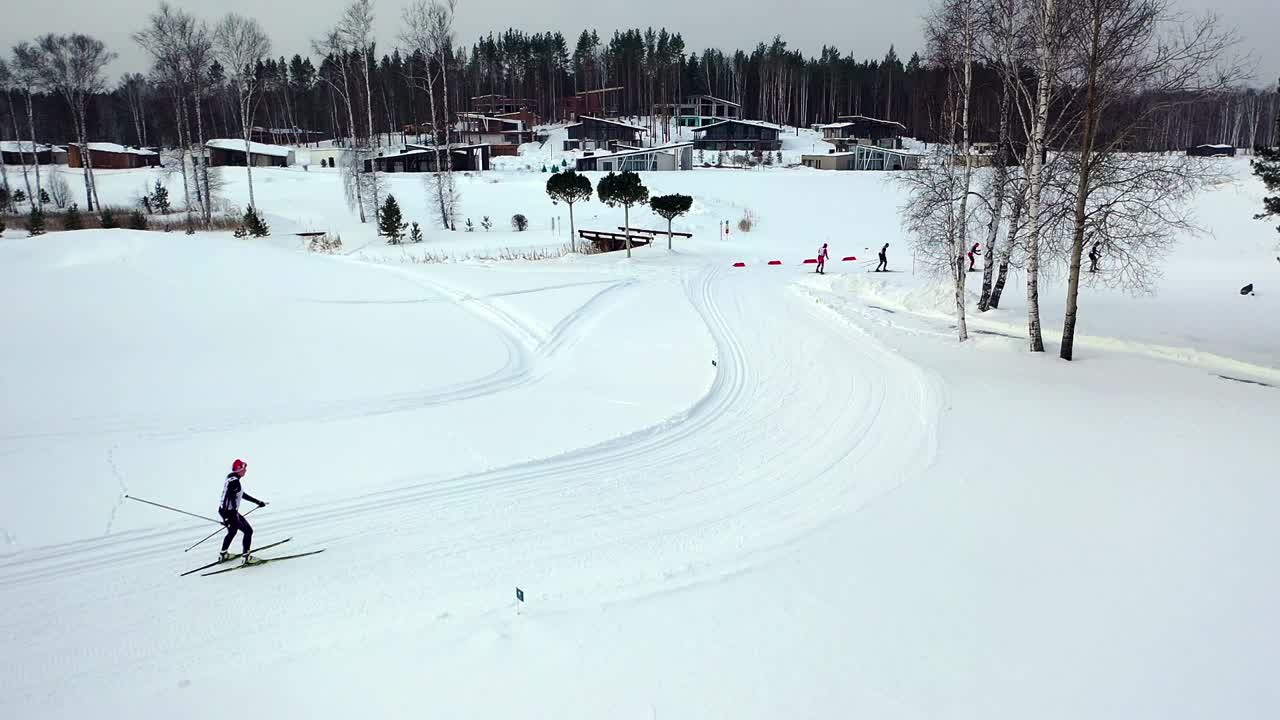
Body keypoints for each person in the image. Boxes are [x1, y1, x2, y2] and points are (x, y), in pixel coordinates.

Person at [218, 459, 267, 563]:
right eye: (244, 468)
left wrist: (257, 502)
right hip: (229, 512)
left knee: (232, 531)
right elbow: (228, 498)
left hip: (225, 511)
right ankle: (246, 557)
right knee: (248, 531)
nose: (246, 470)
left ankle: (223, 554)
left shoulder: (231, 478)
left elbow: (240, 494)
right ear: (239, 470)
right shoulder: (235, 482)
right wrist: (228, 517)